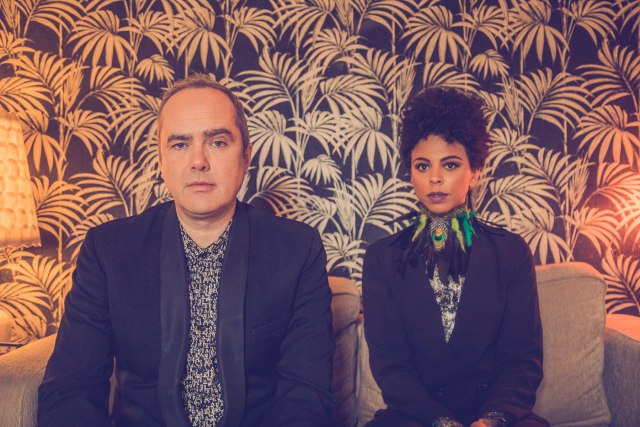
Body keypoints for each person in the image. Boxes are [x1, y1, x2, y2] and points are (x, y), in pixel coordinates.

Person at [38, 74, 335, 427]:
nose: (198, 161)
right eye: (180, 144)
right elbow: (72, 387)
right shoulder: (108, 251)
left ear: (246, 156)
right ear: (161, 160)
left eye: (218, 142)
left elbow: (306, 393)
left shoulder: (297, 249)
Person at [362, 87, 548, 427]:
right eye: (422, 166)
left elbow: (522, 361)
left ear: (474, 171)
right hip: (416, 418)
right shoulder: (381, 259)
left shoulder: (511, 252)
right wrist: (441, 421)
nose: (435, 178)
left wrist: (490, 420)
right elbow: (391, 368)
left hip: (495, 417)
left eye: (450, 164)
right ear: (411, 174)